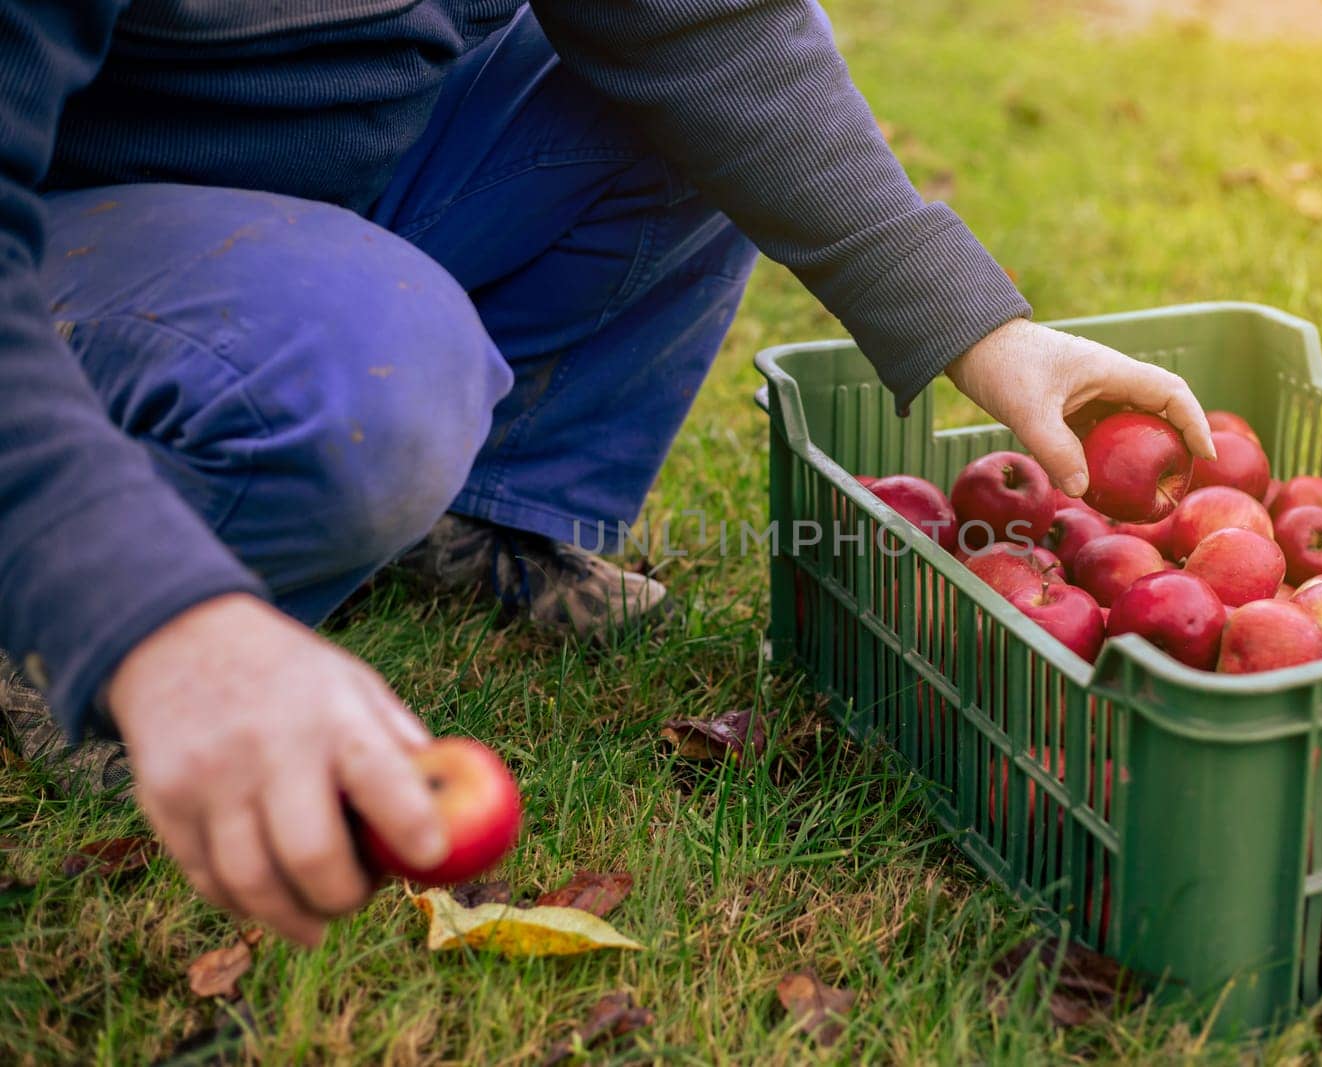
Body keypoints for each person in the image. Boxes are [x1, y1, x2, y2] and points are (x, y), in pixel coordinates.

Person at [0, 1, 1214, 946]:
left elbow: (706, 32)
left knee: (704, 106)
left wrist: (976, 331)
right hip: (69, 210)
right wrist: (147, 614)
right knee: (374, 366)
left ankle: (484, 513)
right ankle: (71, 633)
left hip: (325, 159)